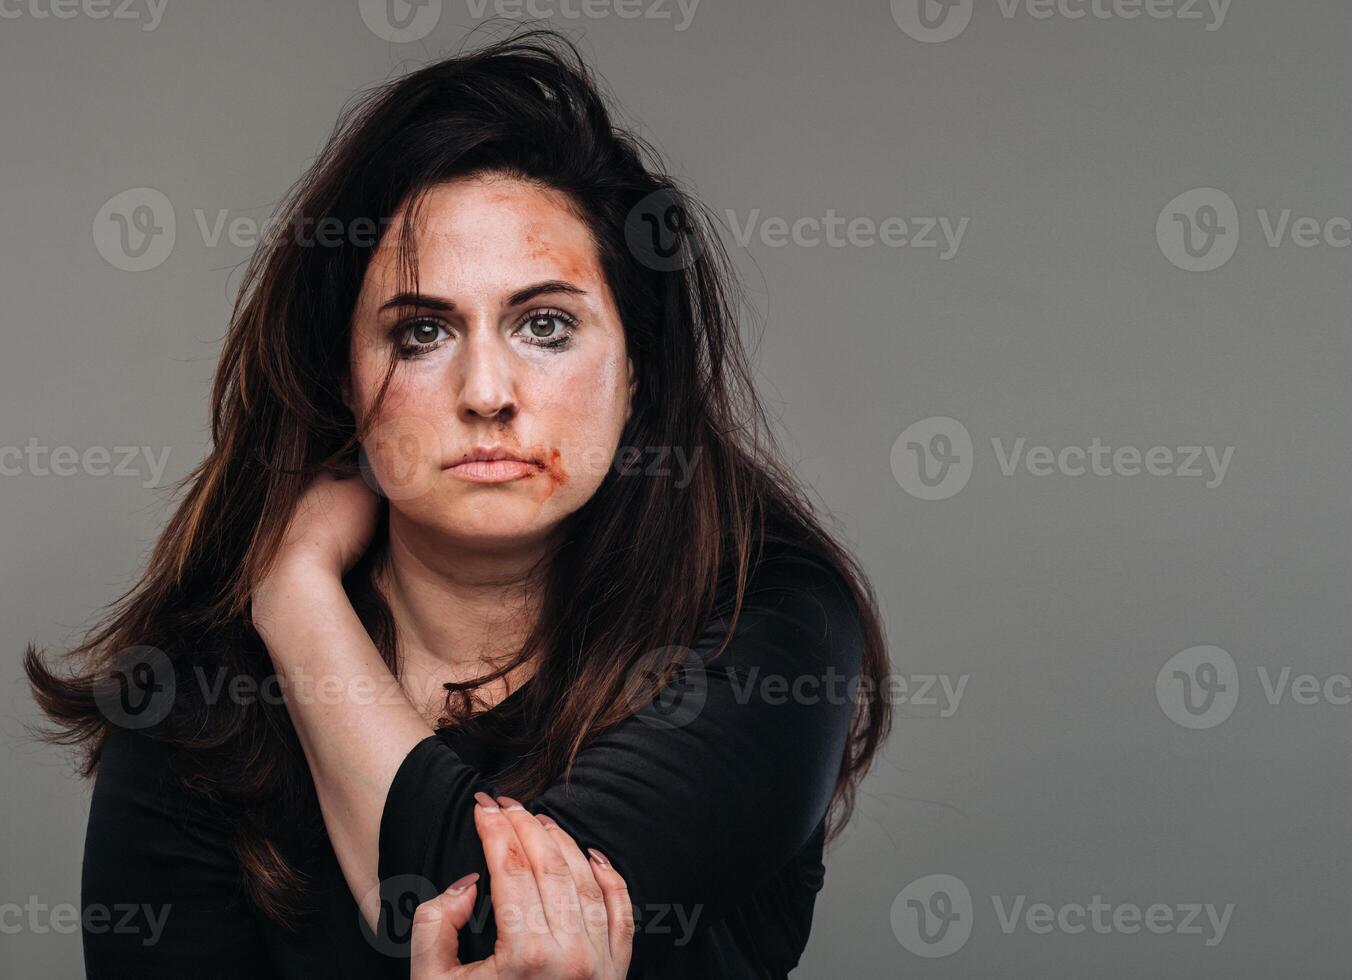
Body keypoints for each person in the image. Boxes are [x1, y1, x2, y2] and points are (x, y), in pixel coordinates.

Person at [27, 26, 891, 978]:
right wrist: (284, 607)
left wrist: (294, 594)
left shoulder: (763, 624)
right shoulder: (203, 709)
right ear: (344, 379)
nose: (487, 391)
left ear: (638, 371)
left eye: (546, 325)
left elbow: (495, 933)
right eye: (423, 332)